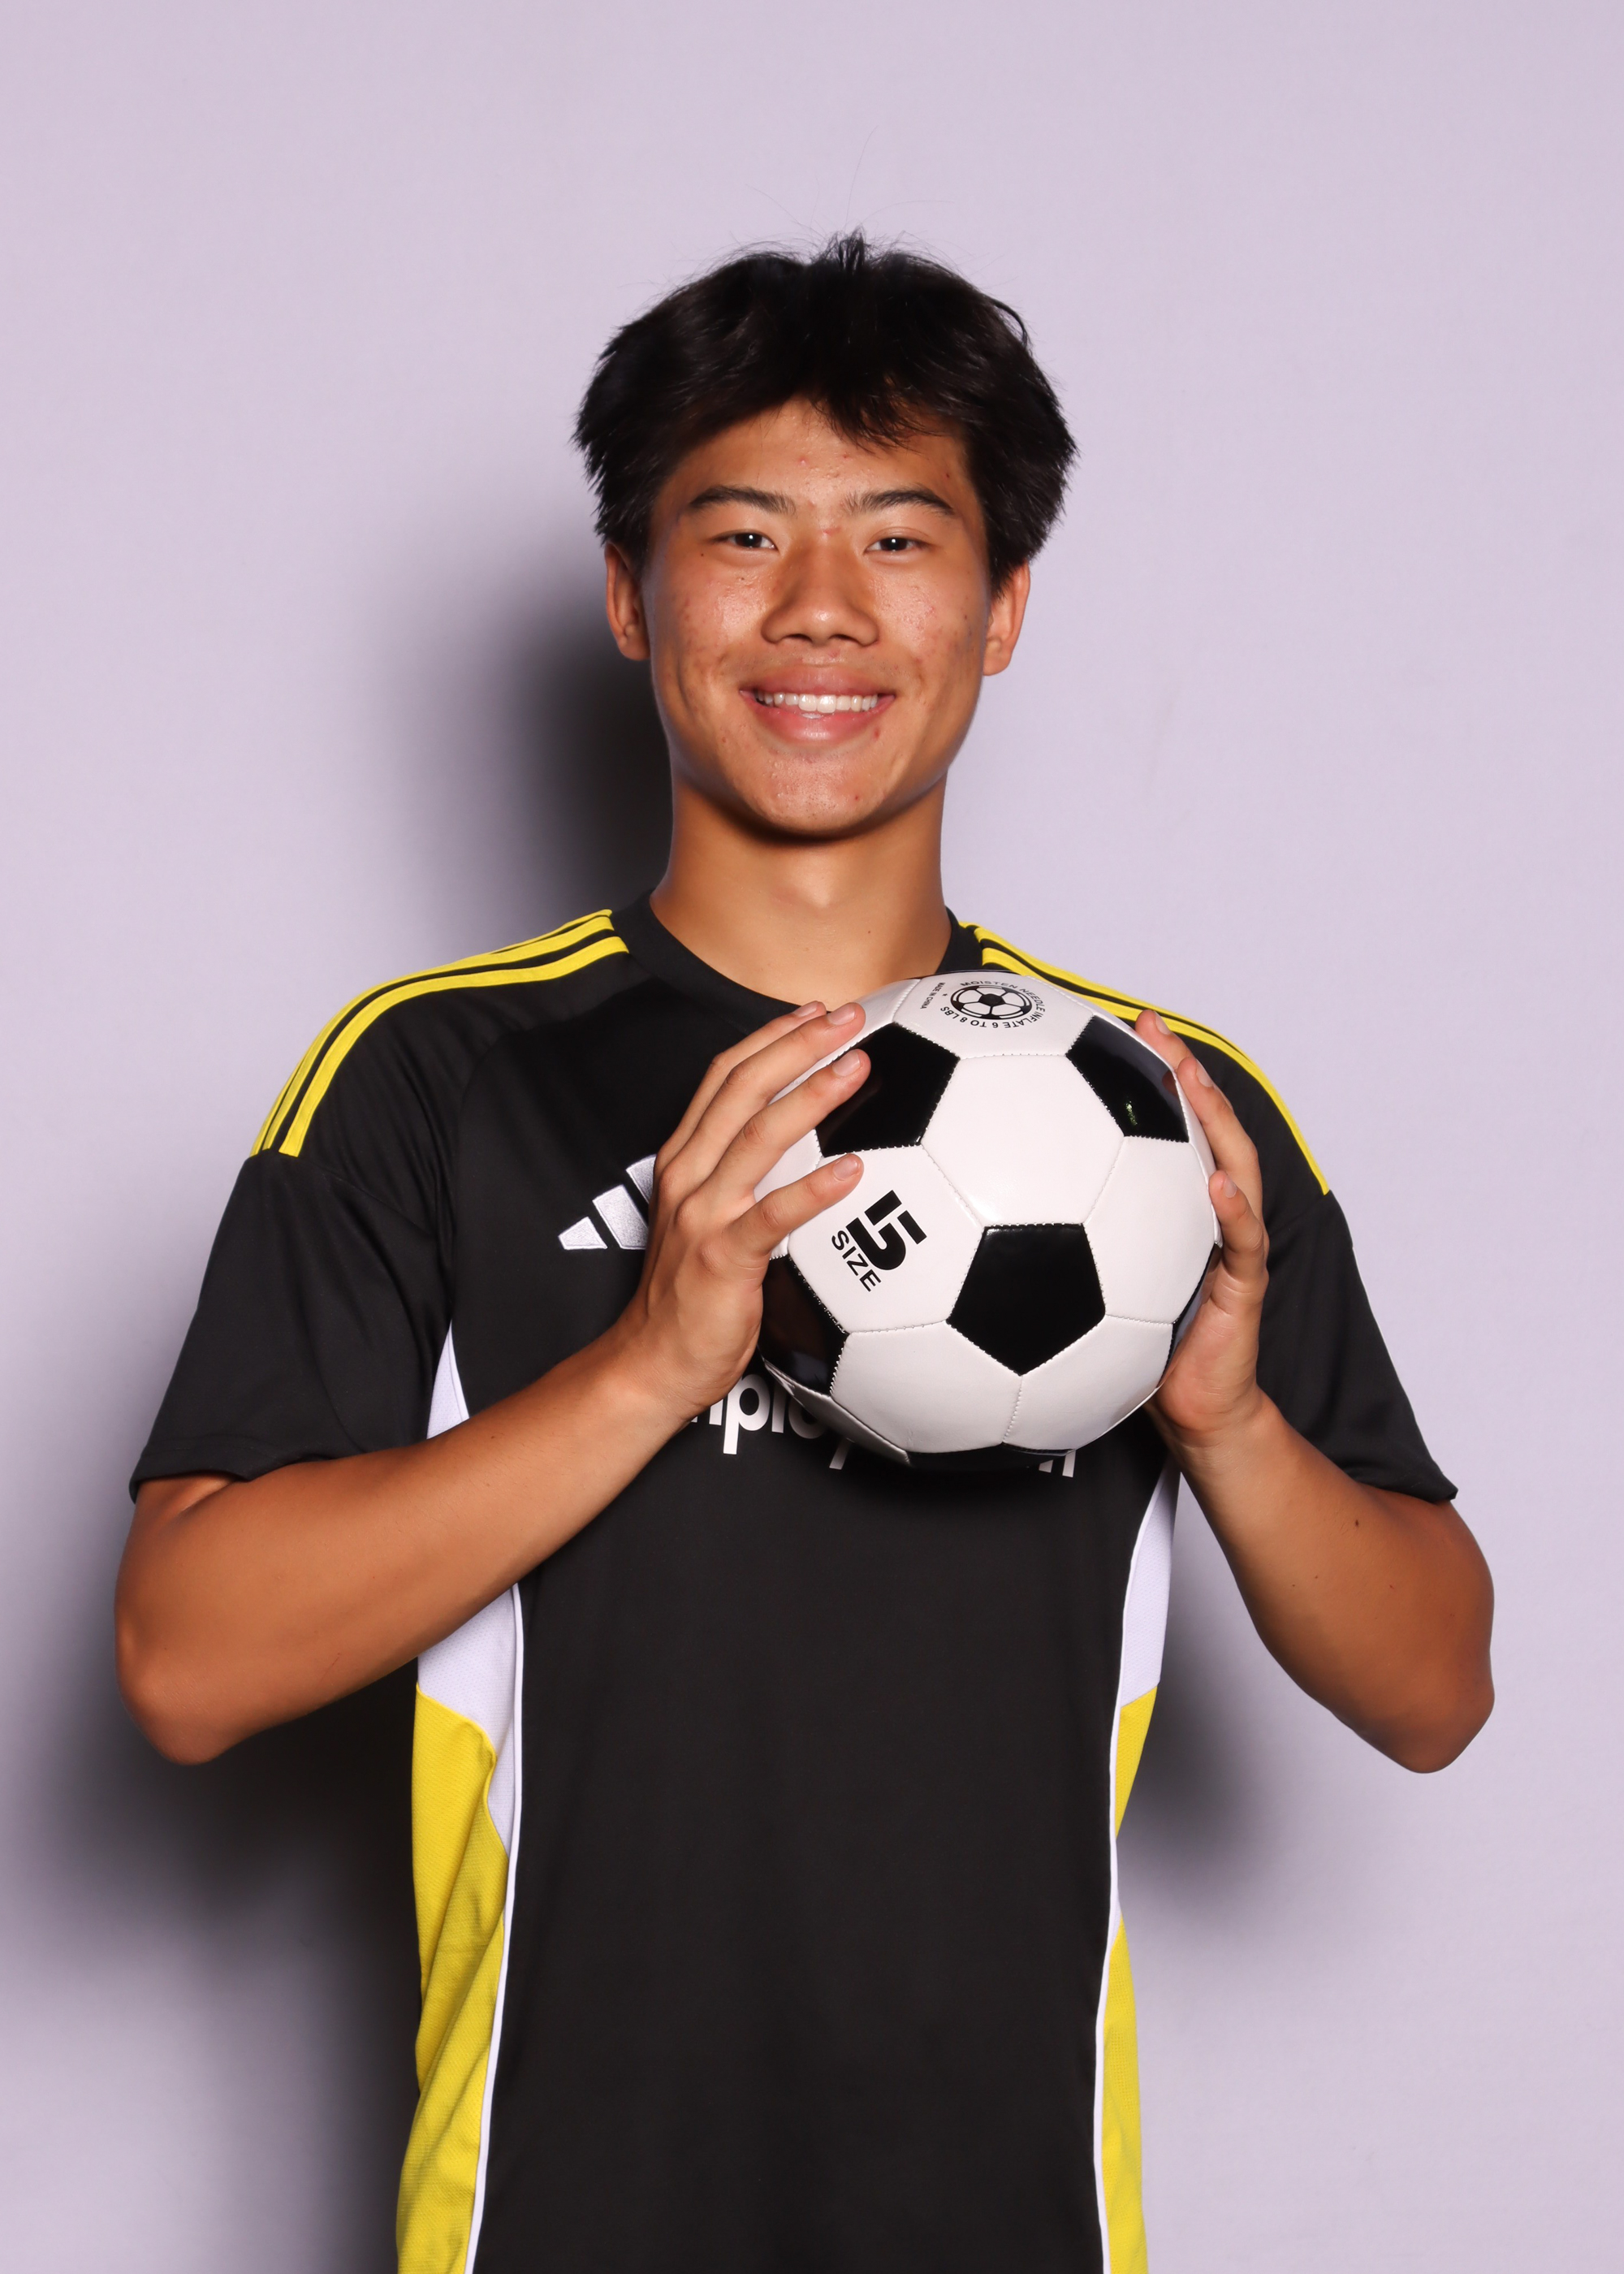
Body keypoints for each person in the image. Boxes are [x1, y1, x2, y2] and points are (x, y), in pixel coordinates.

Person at [118, 236, 1492, 2274]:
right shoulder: (439, 1074)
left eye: (901, 537)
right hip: (551, 2219)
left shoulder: (1158, 1115)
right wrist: (647, 1363)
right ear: (630, 591)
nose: (821, 607)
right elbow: (184, 1660)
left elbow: (1435, 1684)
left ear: (1002, 605)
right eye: (743, 531)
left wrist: (1226, 1423)